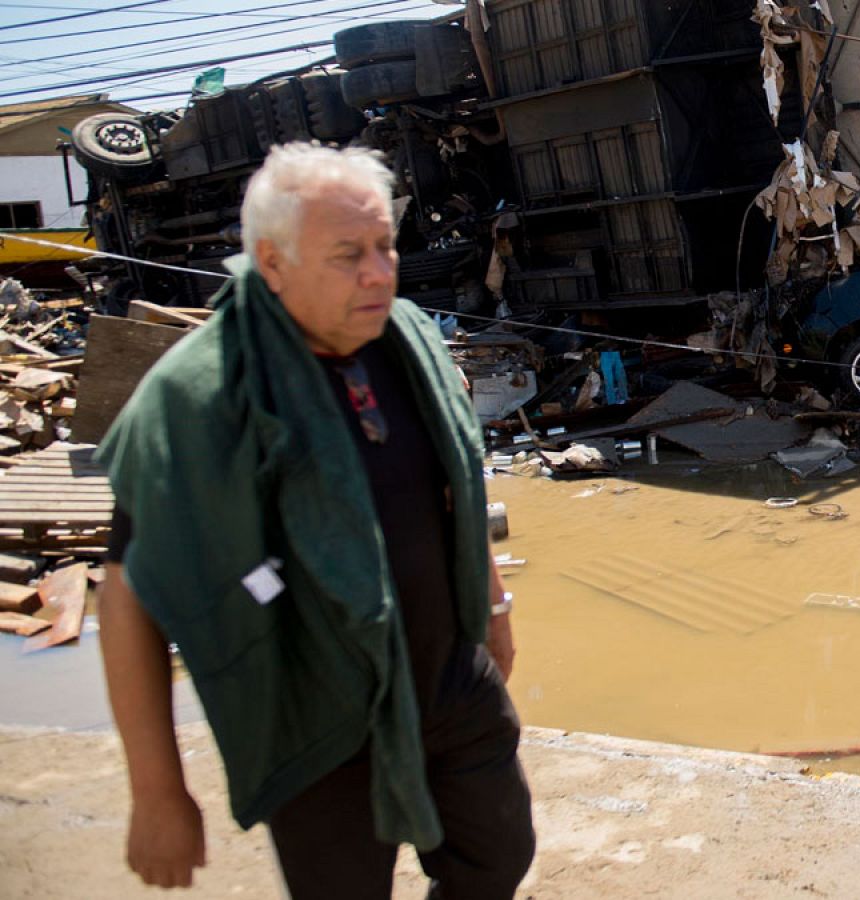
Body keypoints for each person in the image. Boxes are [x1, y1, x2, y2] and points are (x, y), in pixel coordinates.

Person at [96, 142, 535, 898]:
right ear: (272, 263)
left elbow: (449, 489)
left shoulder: (410, 345)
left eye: (383, 246)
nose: (379, 272)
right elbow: (128, 596)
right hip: (316, 717)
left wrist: (492, 609)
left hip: (446, 681)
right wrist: (158, 791)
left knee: (499, 855)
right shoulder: (199, 398)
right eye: (347, 255)